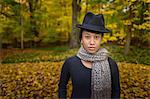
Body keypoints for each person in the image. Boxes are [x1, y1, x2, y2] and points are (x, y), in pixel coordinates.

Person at [58, 12, 120, 99]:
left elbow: (116, 91)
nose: (92, 42)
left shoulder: (111, 64)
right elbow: (62, 87)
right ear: (81, 39)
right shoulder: (70, 63)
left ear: (101, 39)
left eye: (96, 37)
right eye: (87, 37)